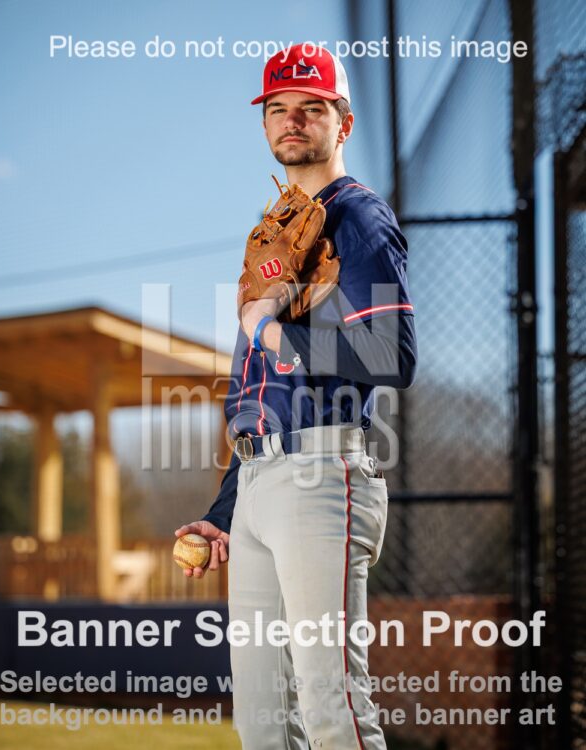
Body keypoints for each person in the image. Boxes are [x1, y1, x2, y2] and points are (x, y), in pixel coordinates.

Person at [175, 43, 417, 750]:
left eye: (311, 109)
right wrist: (226, 509)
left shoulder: (359, 220)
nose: (291, 122)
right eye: (278, 109)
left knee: (331, 705)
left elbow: (392, 357)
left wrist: (274, 332)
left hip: (322, 477)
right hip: (258, 482)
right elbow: (257, 396)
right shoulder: (273, 232)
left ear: (342, 123)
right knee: (262, 721)